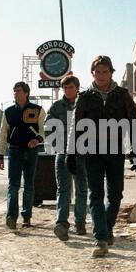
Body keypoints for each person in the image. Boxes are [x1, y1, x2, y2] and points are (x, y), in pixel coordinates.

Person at [66, 56, 136, 257]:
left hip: (115, 151)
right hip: (92, 152)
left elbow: (134, 123)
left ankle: (107, 229)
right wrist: (71, 153)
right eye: (97, 72)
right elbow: (75, 126)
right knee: (96, 195)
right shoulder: (85, 97)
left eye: (105, 71)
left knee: (116, 194)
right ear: (92, 73)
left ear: (111, 73)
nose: (101, 75)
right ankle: (100, 238)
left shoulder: (122, 95)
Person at [0, 82, 46, 230]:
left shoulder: (38, 110)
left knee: (29, 185)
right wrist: (0, 155)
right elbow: (3, 133)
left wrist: (36, 140)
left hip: (31, 152)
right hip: (14, 151)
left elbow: (44, 131)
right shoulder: (8, 112)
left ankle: (27, 217)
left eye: (18, 91)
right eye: (14, 91)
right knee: (13, 186)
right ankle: (11, 218)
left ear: (26, 93)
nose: (15, 93)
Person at [45, 74, 88, 241]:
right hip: (62, 153)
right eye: (65, 87)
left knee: (81, 189)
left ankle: (80, 222)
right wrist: (57, 145)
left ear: (77, 88)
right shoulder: (56, 107)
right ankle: (62, 223)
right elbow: (48, 127)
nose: (68, 90)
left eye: (71, 87)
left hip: (82, 153)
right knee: (63, 190)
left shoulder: (85, 104)